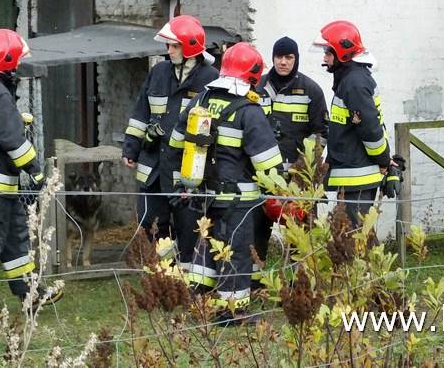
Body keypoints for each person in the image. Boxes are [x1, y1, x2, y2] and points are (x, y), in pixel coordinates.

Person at [169, 42, 283, 324]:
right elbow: (268, 164)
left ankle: (198, 301)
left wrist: (180, 184)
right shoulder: (249, 110)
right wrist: (281, 190)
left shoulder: (201, 100)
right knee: (236, 253)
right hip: (238, 200)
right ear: (253, 75)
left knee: (206, 246)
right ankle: (232, 313)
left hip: (202, 194)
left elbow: (175, 142)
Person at [121, 15, 218, 266]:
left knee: (187, 226)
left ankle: (186, 277)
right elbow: (140, 112)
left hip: (185, 169)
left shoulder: (210, 79)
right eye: (168, 45)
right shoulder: (159, 72)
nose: (169, 50)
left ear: (191, 47)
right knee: (150, 221)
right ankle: (163, 274)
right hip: (153, 165)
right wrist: (131, 147)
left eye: (174, 46)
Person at [0, 29, 63, 322]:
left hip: (2, 187)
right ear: (7, 62)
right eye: (18, 60)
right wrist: (36, 172)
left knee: (15, 240)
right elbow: (12, 140)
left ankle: (31, 293)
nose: (21, 65)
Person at [311, 20, 398, 226]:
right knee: (349, 238)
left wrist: (385, 162)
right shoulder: (350, 79)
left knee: (354, 241)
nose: (325, 58)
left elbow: (370, 130)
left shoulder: (354, 83)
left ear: (343, 53)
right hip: (352, 176)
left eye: (328, 53)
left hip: (357, 178)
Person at [258, 36, 328, 167]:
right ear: (273, 58)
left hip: (296, 174)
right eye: (279, 57)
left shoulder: (311, 90)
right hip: (261, 171)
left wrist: (302, 165)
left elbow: (321, 133)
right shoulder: (257, 87)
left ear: (296, 59)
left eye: (289, 57)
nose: (283, 62)